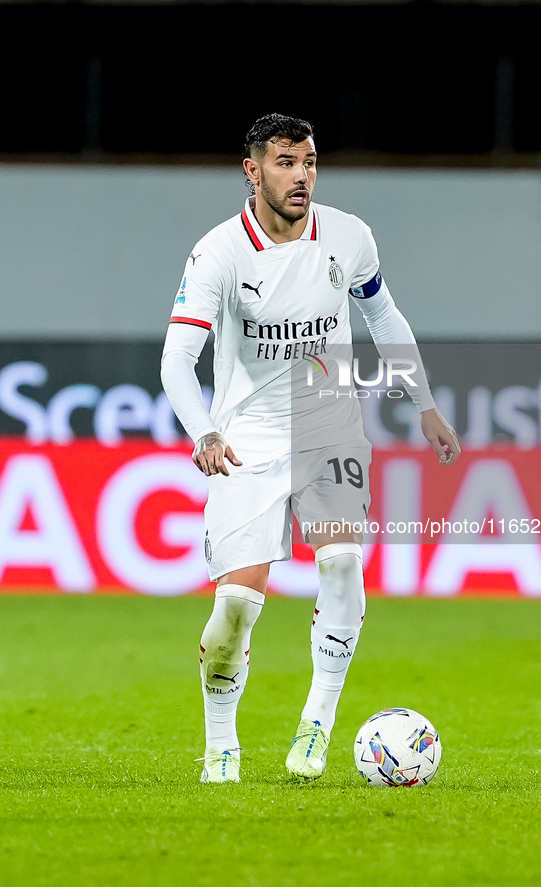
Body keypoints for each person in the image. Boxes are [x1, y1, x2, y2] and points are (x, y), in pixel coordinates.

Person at [160, 113, 460, 784]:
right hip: (245, 440)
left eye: (310, 161)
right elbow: (177, 360)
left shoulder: (349, 236)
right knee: (235, 609)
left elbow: (383, 314)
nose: (301, 176)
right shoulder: (218, 254)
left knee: (343, 562)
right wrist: (203, 431)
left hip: (326, 425)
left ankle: (316, 724)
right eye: (286, 162)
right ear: (253, 170)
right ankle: (220, 744)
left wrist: (425, 403)